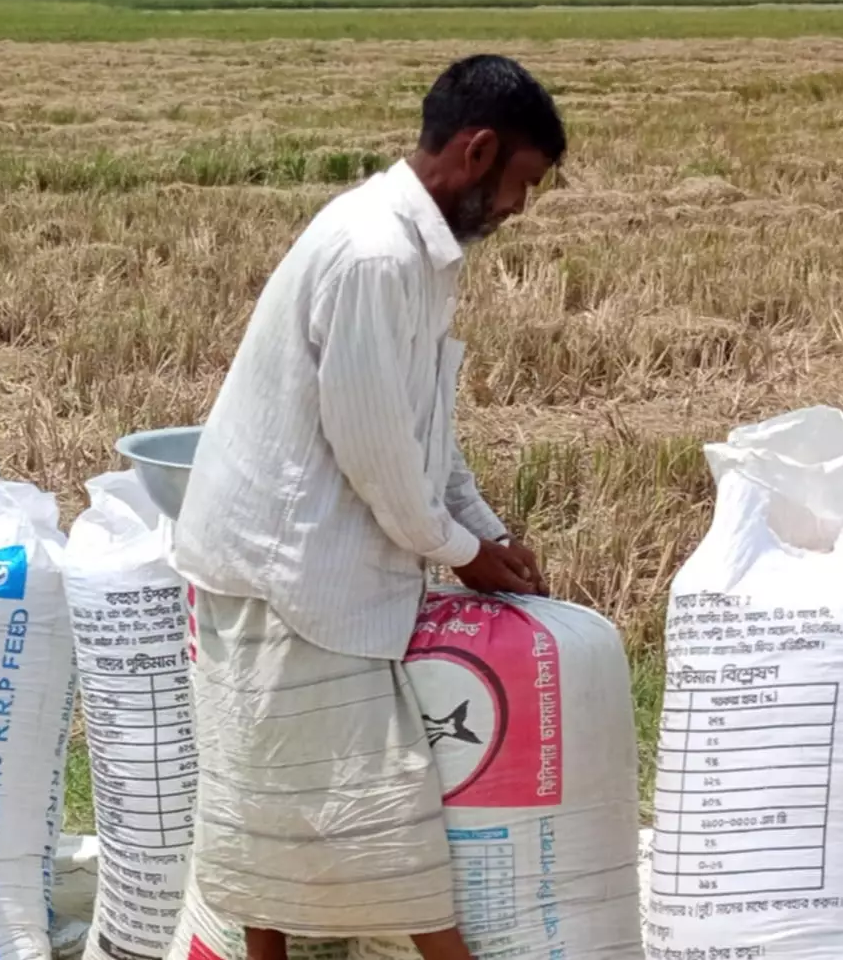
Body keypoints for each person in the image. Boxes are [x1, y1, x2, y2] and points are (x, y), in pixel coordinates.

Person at [171, 54, 565, 960]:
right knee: (360, 807)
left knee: (275, 797)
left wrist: (482, 523)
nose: (517, 209)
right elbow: (375, 446)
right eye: (520, 183)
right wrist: (457, 548)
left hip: (302, 564)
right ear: (476, 150)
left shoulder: (419, 255)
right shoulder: (376, 254)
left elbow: (421, 420)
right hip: (285, 565)